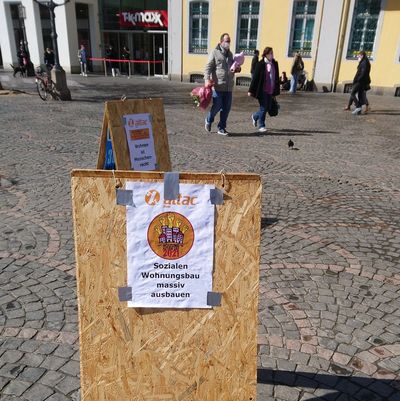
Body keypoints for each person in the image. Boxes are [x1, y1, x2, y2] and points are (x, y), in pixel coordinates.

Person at [204, 33, 241, 136]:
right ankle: (209, 119)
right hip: (218, 86)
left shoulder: (230, 54)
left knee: (226, 108)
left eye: (229, 41)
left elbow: (234, 67)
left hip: (229, 86)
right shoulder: (214, 53)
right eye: (226, 41)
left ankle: (221, 128)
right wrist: (207, 79)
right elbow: (208, 68)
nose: (228, 43)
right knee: (217, 106)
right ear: (221, 42)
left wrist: (237, 68)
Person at [248, 47, 280, 133]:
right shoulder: (260, 64)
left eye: (272, 53)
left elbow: (276, 77)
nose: (272, 55)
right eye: (270, 53)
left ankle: (255, 116)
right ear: (266, 54)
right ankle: (261, 125)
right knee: (263, 107)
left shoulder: (274, 64)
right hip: (262, 90)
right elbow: (255, 78)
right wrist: (251, 90)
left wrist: (276, 89)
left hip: (271, 89)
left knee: (268, 107)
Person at [344, 50, 371, 115]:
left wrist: (357, 80)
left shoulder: (364, 63)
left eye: (359, 56)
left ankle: (358, 106)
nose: (358, 57)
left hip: (360, 81)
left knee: (352, 93)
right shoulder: (365, 62)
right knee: (360, 95)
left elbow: (363, 73)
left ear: (362, 55)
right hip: (362, 81)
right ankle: (358, 111)